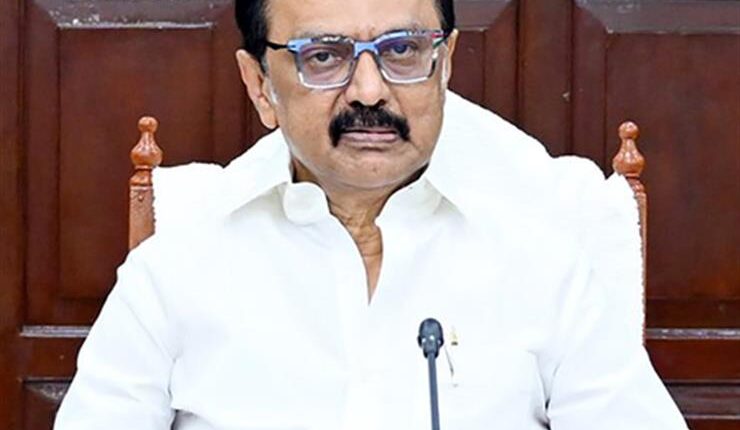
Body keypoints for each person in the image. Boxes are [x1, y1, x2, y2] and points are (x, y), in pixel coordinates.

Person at [54, 0, 689, 429]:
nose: (369, 90)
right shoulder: (176, 270)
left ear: (445, 65)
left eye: (403, 50)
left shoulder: (543, 260)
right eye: (323, 56)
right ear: (260, 86)